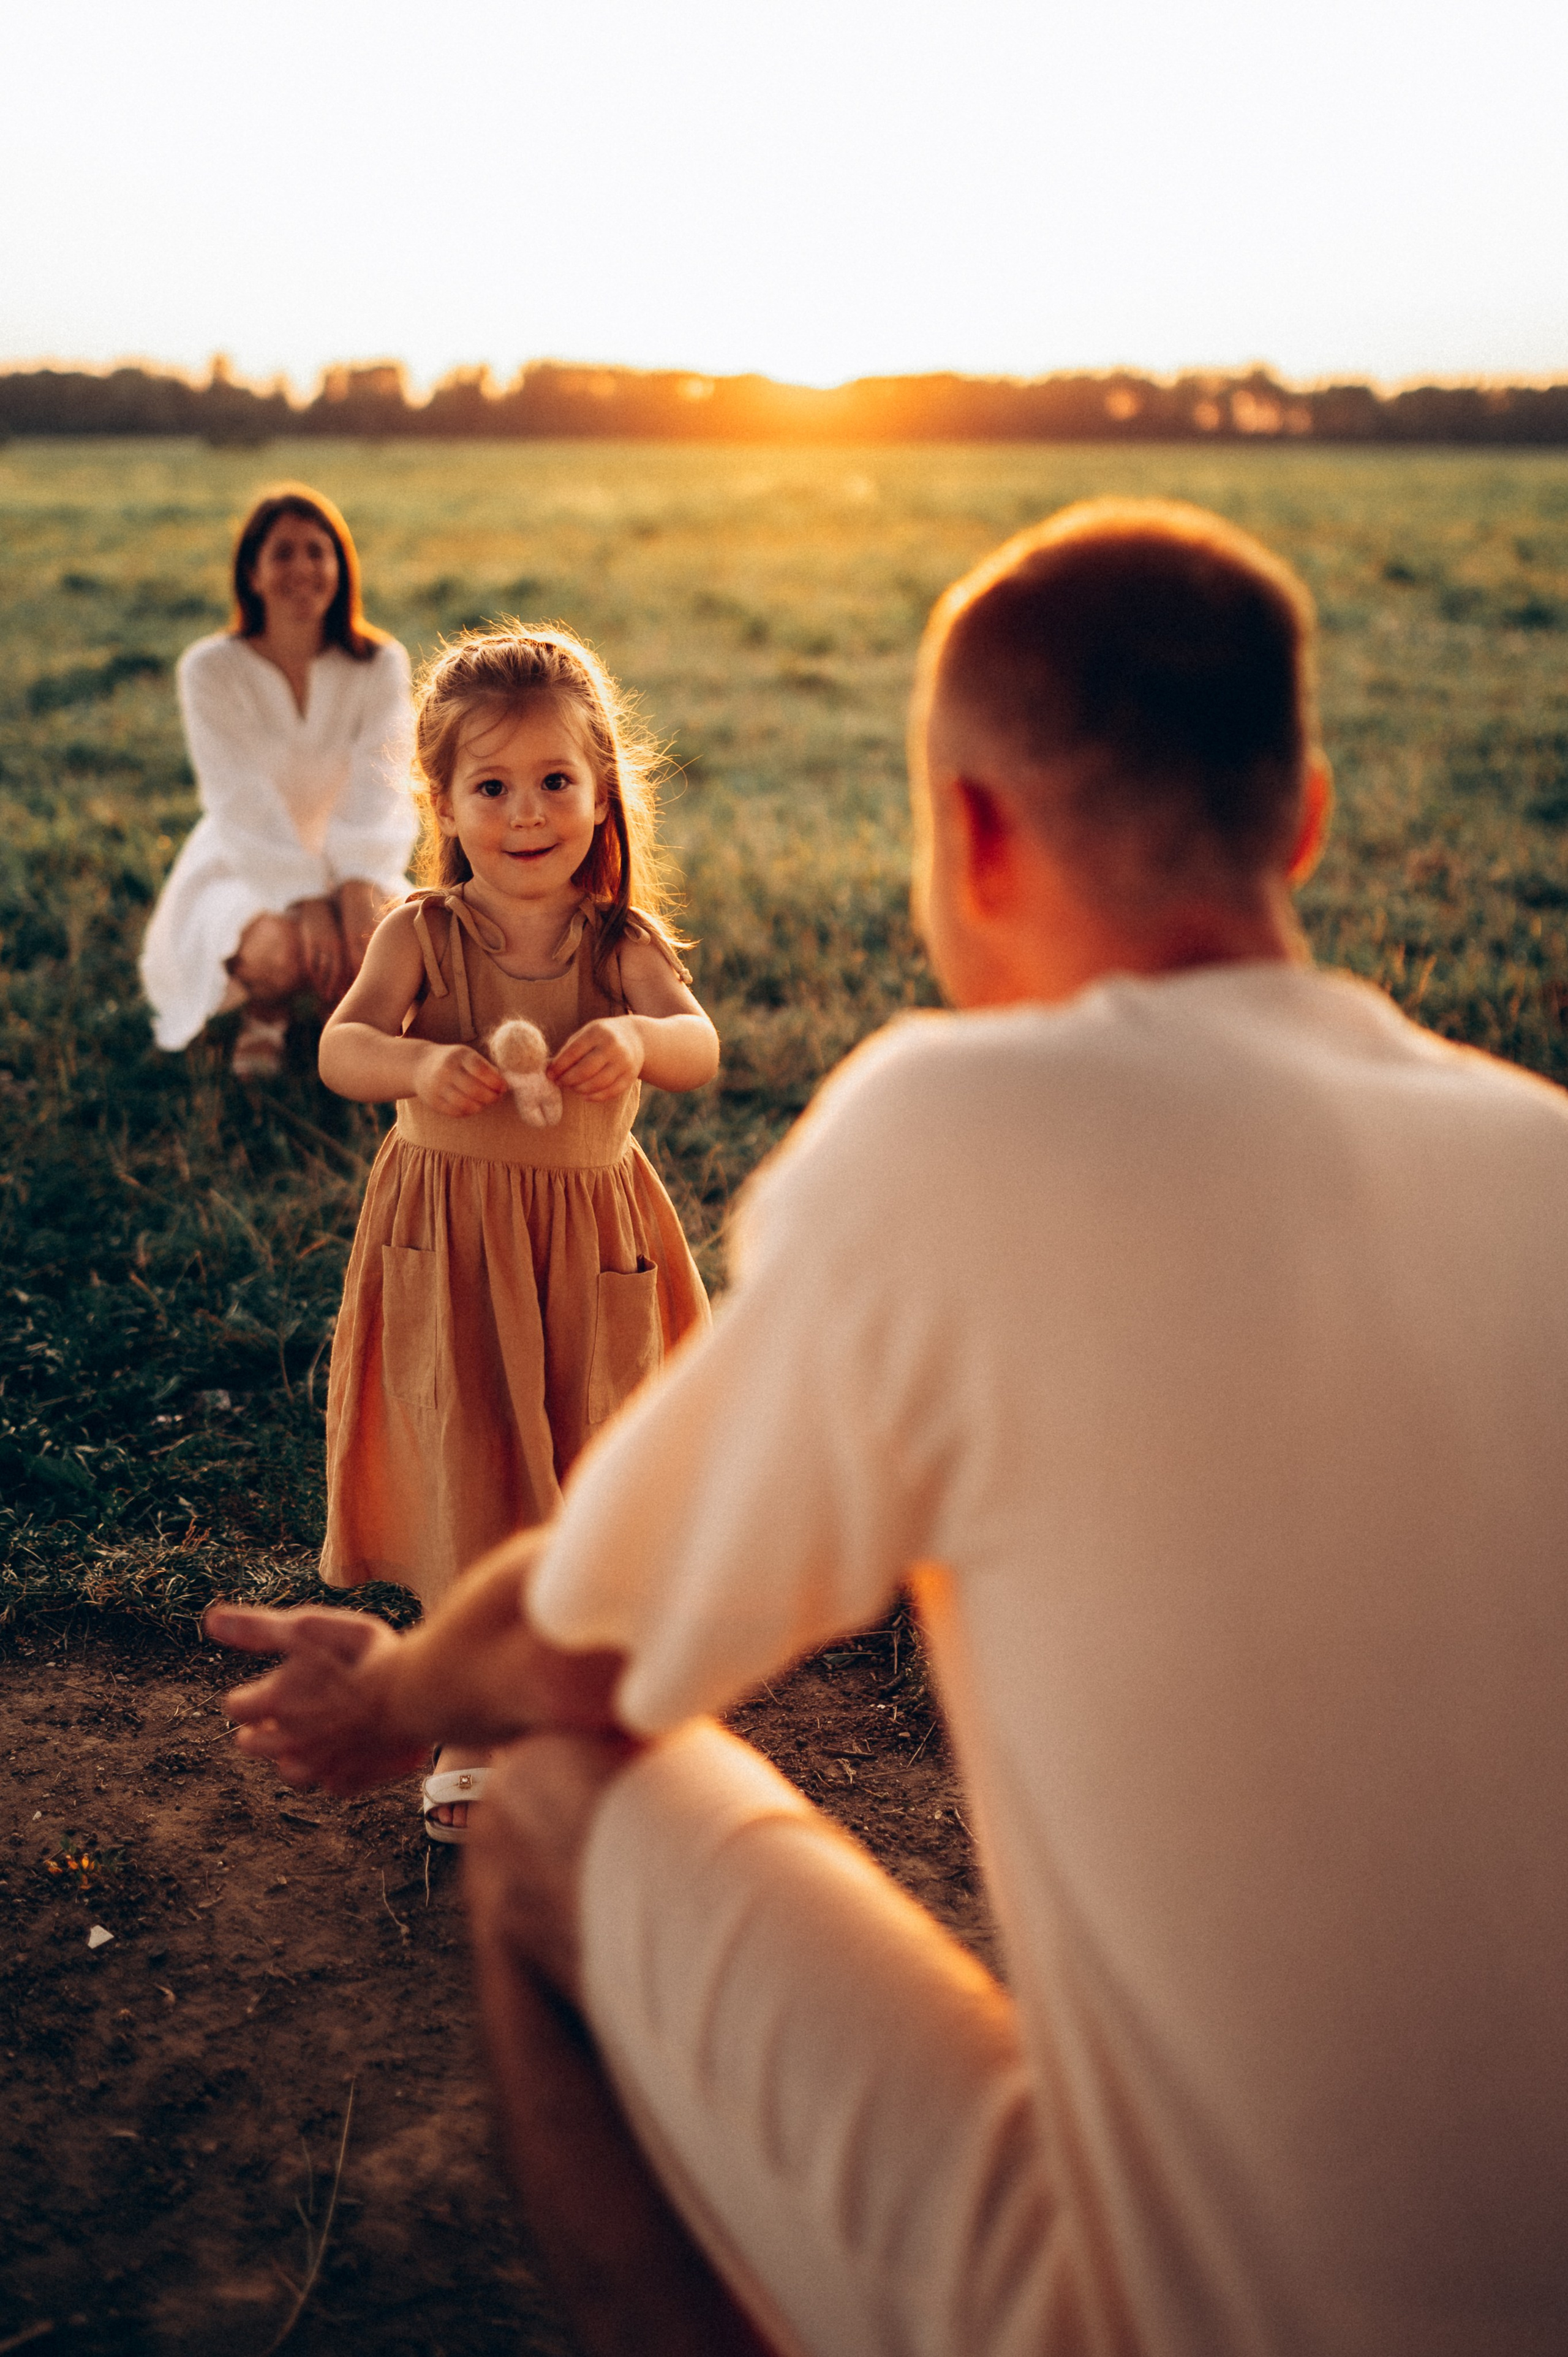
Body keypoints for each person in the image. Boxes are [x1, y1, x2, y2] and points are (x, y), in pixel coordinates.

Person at [211, 501, 1568, 2357]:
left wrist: (392, 1693)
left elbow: (576, 1641)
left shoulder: (947, 1129)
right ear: (1306, 821)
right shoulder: (1540, 1159)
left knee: (543, 1806)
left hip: (1170, 2314)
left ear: (972, 834)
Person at [315, 624, 717, 1840]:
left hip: (585, 1250)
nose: (526, 812)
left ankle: (586, 1694)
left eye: (554, 781)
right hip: (449, 1251)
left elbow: (698, 1046)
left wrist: (637, 1038)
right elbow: (341, 1048)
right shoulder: (419, 934)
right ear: (442, 802)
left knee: (594, 1458)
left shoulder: (620, 944)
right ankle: (476, 1716)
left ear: (600, 795)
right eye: (490, 787)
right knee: (470, 1461)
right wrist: (415, 1064)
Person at [140, 484, 417, 1077]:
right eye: (283, 553)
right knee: (282, 950)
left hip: (357, 853)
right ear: (253, 573)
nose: (303, 568)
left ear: (341, 568)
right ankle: (266, 1011)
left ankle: (348, 1020)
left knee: (390, 943)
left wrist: (355, 887)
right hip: (245, 855)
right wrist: (305, 897)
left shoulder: (381, 663)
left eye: (318, 551)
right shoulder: (211, 669)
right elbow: (238, 796)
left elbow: (381, 783)